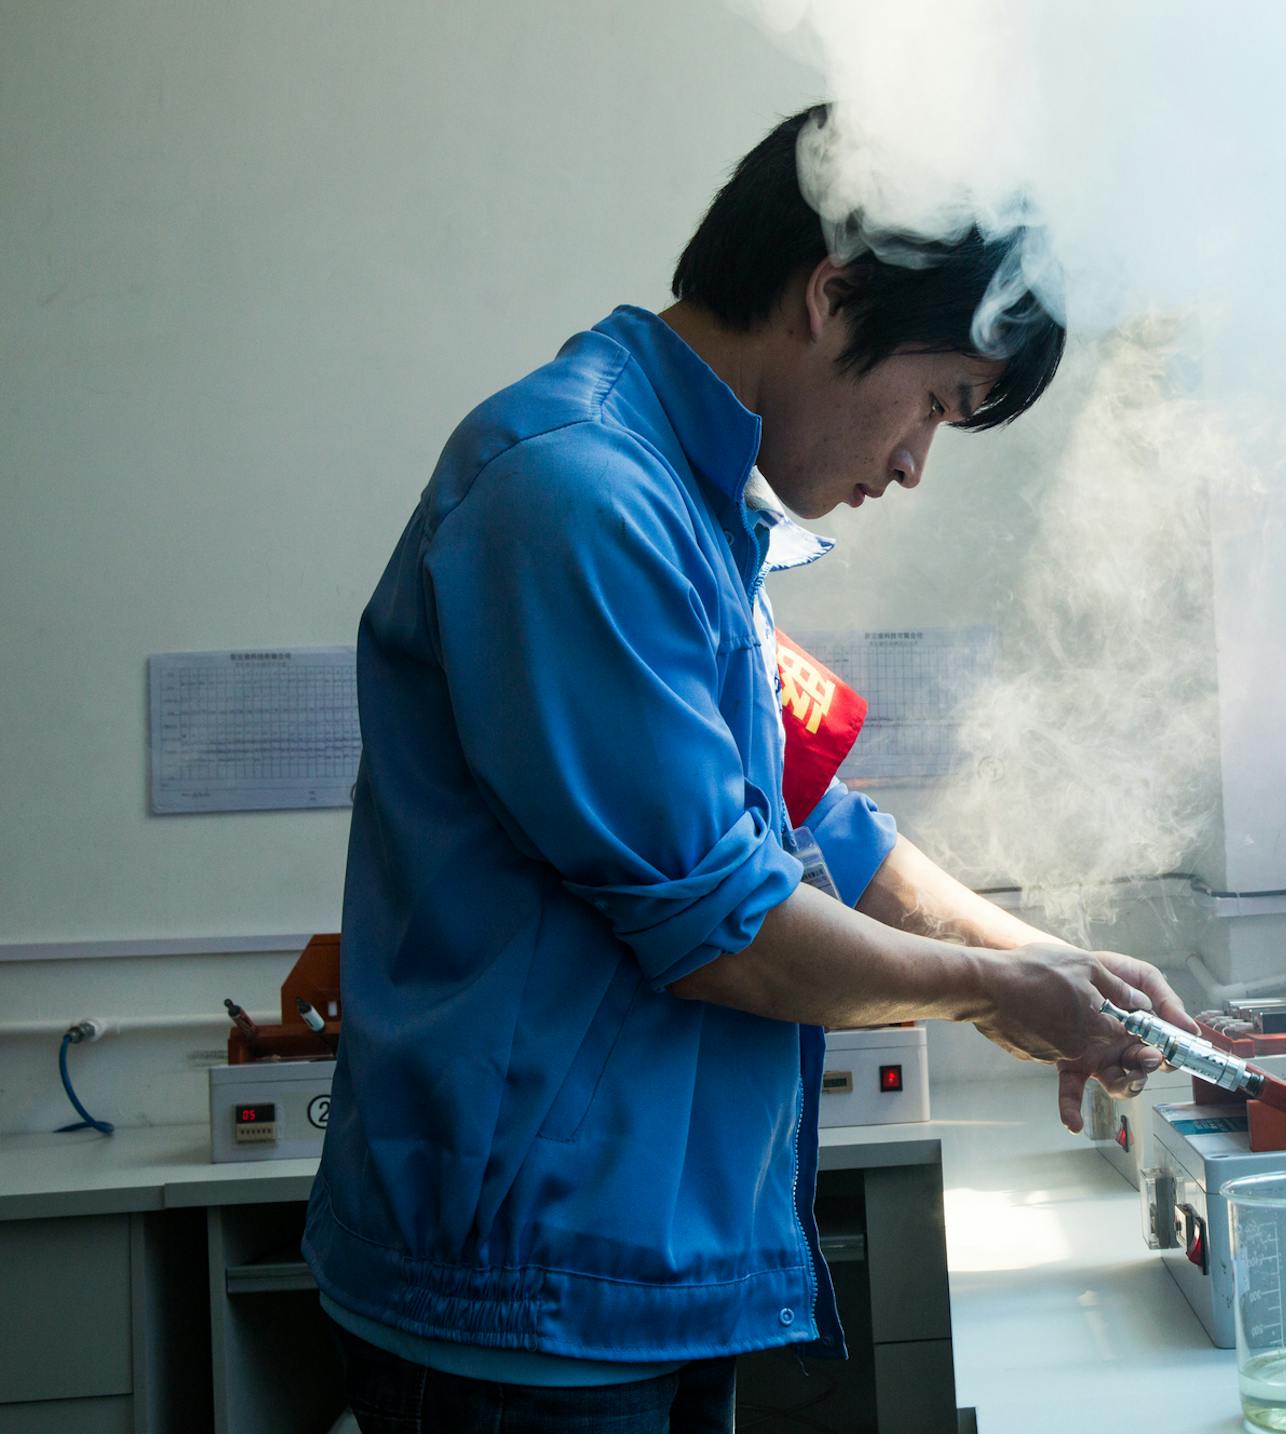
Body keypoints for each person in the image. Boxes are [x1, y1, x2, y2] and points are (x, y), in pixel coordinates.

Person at [303, 104, 1194, 1432]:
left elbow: (812, 820)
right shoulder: (576, 494)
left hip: (625, 1278)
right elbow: (730, 931)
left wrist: (1046, 967)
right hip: (525, 1304)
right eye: (935, 406)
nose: (909, 464)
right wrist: (997, 992)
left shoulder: (688, 504)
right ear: (833, 297)